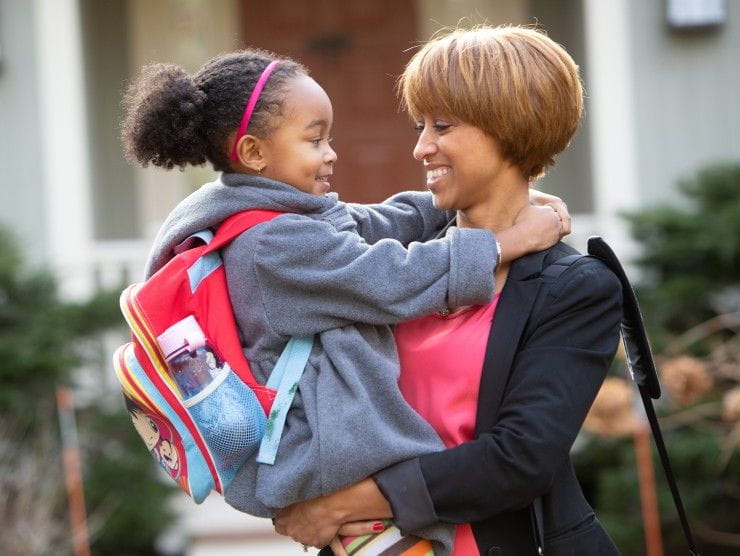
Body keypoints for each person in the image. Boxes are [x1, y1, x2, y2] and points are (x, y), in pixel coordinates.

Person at [121, 48, 570, 555]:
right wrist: (504, 242)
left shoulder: (281, 220)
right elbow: (391, 279)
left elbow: (375, 223)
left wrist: (463, 194)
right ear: (252, 153)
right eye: (315, 140)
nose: (331, 152)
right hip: (331, 459)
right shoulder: (273, 246)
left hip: (337, 456)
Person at [273, 25, 624, 556]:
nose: (420, 147)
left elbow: (518, 460)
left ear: (510, 124)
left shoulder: (575, 289)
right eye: (420, 125)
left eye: (442, 125)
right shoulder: (390, 268)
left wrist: (339, 505)